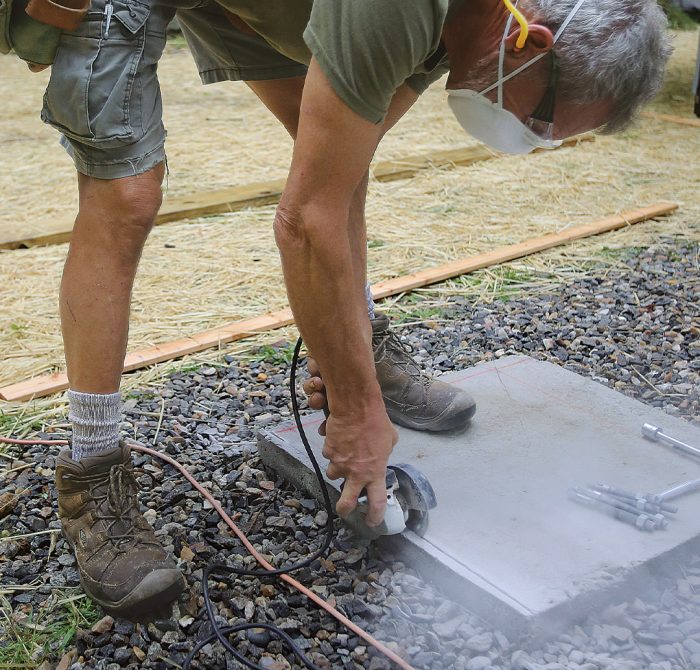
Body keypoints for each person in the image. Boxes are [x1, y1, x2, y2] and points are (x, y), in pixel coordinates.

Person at [7, 0, 670, 618]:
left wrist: (341, 351)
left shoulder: (474, 23)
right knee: (127, 196)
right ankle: (92, 472)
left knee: (335, 152)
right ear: (530, 40)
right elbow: (305, 221)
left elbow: (339, 171)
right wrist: (353, 411)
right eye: (543, 120)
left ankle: (361, 347)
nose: (534, 136)